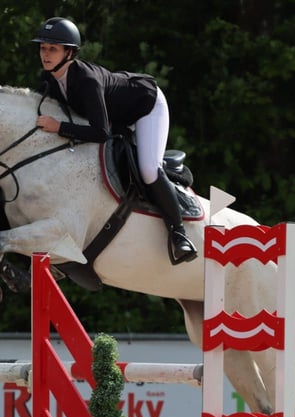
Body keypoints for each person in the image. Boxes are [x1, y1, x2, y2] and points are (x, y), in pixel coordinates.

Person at [32, 17, 197, 264]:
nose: (45, 54)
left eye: (52, 49)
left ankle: (179, 235)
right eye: (43, 48)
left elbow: (100, 133)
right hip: (116, 116)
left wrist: (59, 127)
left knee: (148, 170)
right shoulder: (49, 81)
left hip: (146, 105)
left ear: (69, 52)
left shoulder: (86, 80)